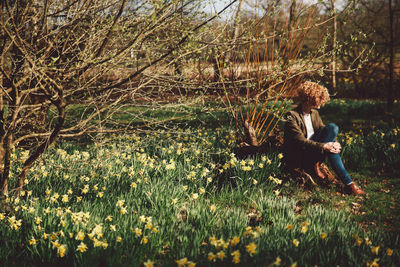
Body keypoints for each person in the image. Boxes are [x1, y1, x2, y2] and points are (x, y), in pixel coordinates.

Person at [283, 81, 365, 195]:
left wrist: (334, 143)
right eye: (318, 101)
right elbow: (299, 141)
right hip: (301, 154)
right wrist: (325, 146)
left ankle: (348, 184)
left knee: (332, 127)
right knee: (330, 144)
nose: (321, 105)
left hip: (315, 149)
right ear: (309, 99)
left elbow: (323, 130)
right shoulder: (291, 115)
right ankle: (349, 184)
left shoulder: (314, 113)